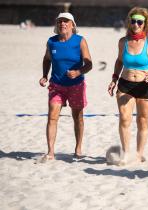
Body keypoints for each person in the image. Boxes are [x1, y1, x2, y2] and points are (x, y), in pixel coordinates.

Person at [107, 7, 148, 165]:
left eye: (140, 22)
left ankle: (139, 154)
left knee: (142, 121)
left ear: (145, 24)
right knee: (124, 119)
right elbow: (119, 61)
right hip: (125, 84)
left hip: (145, 86)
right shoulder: (123, 42)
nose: (136, 24)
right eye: (133, 21)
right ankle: (126, 154)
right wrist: (114, 79)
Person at [38, 12, 93, 162]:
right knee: (52, 116)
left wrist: (78, 72)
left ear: (72, 25)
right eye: (60, 21)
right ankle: (50, 152)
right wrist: (44, 75)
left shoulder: (80, 41)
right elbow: (47, 59)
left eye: (66, 21)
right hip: (56, 85)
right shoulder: (52, 42)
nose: (62, 23)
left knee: (78, 117)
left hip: (76, 86)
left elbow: (89, 64)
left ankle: (78, 149)